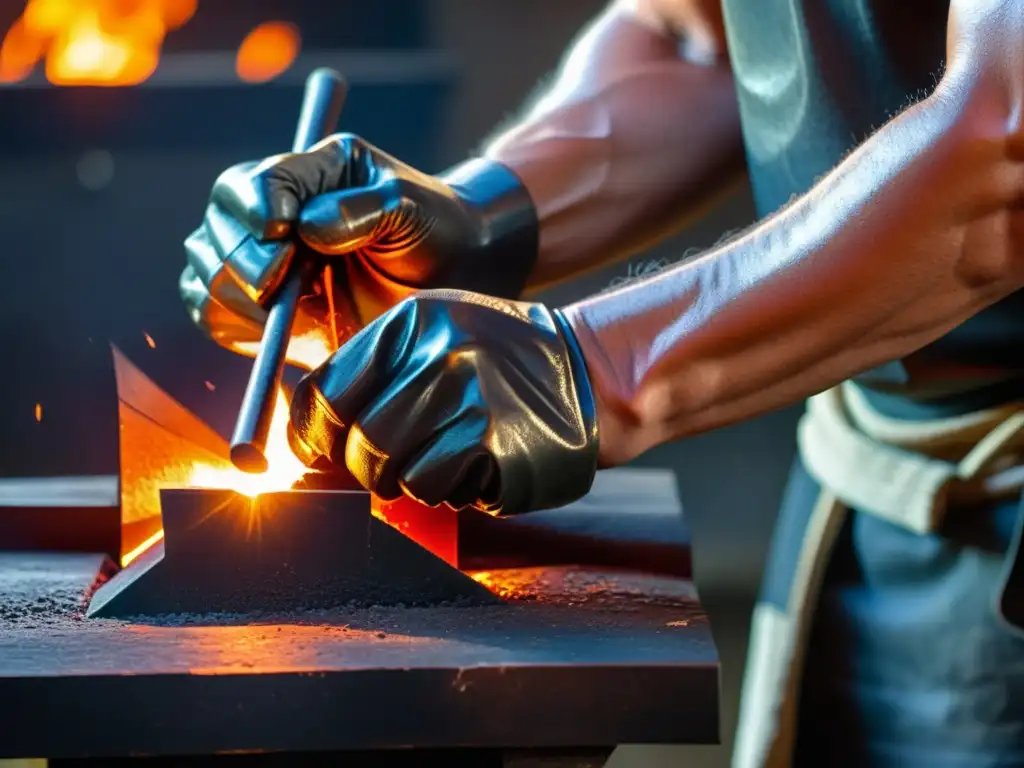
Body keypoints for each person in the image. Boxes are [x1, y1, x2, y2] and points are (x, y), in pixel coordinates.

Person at [180, 0, 1023, 764]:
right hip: (872, 485)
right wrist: (483, 215)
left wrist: (595, 369)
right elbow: (699, 40)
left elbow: (1007, 153)